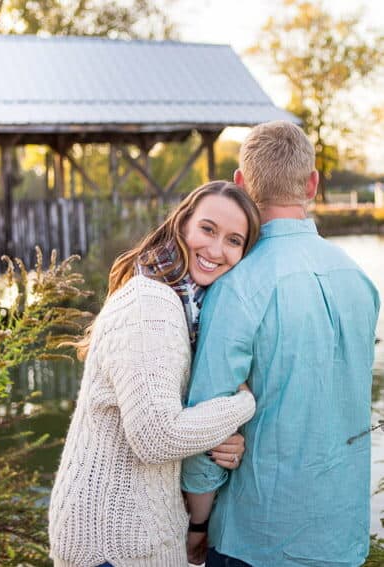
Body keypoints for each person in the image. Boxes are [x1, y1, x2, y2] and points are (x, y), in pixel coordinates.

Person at [182, 121, 381, 567]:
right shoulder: (361, 280)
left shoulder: (238, 285)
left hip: (255, 539)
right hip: (341, 536)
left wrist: (197, 525)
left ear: (241, 185)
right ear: (312, 184)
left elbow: (207, 421)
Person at [48, 180, 261, 567]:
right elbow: (157, 437)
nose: (216, 250)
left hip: (135, 536)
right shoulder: (153, 305)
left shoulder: (184, 304)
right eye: (208, 229)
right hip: (112, 545)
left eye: (234, 240)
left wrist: (219, 439)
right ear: (182, 225)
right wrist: (243, 405)